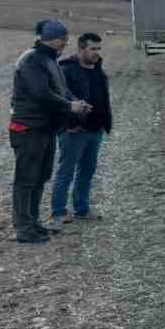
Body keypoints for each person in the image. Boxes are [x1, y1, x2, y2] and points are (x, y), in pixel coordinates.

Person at [9, 19, 90, 243]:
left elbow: (61, 90)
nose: (64, 46)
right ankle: (24, 228)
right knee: (26, 178)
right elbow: (40, 93)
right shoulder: (31, 60)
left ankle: (33, 224)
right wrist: (69, 106)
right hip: (28, 128)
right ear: (53, 40)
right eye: (62, 41)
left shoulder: (49, 60)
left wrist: (76, 102)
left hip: (45, 128)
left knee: (40, 176)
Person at [52, 32, 112, 226]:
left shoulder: (98, 69)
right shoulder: (65, 70)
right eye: (92, 49)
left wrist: (104, 123)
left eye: (98, 48)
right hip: (74, 131)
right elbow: (57, 101)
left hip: (95, 130)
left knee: (87, 171)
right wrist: (67, 125)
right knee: (66, 171)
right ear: (81, 49)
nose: (97, 53)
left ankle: (82, 210)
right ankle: (59, 212)